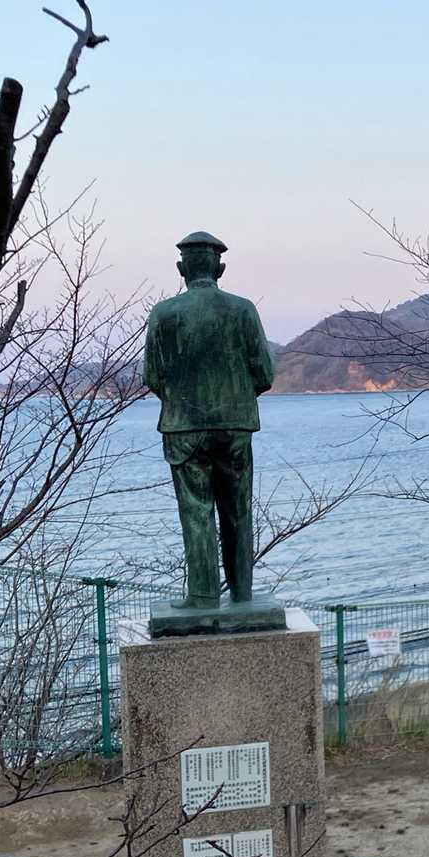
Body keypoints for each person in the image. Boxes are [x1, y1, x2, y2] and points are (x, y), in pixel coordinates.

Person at [143, 232, 274, 609]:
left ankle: (203, 596)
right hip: (235, 427)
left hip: (184, 429)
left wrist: (184, 403)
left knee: (196, 512)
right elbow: (264, 374)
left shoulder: (163, 313)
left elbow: (152, 375)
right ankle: (242, 593)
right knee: (239, 511)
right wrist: (233, 400)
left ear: (181, 269)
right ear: (220, 268)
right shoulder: (243, 310)